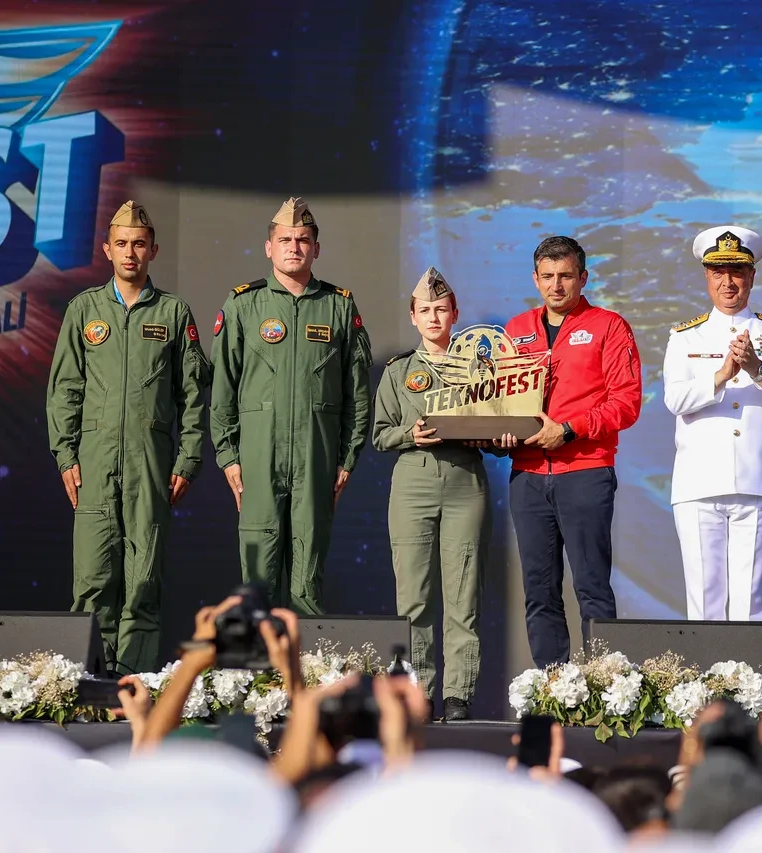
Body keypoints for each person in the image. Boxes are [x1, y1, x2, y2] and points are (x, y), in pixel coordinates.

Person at [46, 201, 209, 674]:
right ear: (107, 250)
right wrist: (65, 455)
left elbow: (194, 395)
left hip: (151, 462)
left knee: (143, 578)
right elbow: (64, 390)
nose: (130, 253)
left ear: (153, 250)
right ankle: (88, 678)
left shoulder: (174, 313)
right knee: (93, 577)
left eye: (139, 244)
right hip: (95, 460)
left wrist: (188, 460)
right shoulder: (84, 310)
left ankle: (132, 682)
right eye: (121, 244)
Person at [210, 197, 373, 614]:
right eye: (285, 239)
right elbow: (222, 387)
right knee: (257, 584)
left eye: (303, 240)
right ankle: (256, 678)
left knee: (307, 583)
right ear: (269, 247)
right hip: (258, 460)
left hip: (315, 460)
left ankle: (303, 675)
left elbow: (357, 393)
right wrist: (228, 455)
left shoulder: (339, 306)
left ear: (317, 248)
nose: (294, 247)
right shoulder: (244, 304)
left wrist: (346, 460)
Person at [503, 236, 642, 668]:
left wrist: (568, 430)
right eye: (548, 277)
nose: (556, 285)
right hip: (527, 476)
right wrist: (499, 435)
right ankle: (552, 689)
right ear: (535, 279)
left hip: (585, 471)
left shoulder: (608, 326)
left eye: (566, 276)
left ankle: (604, 688)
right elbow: (496, 401)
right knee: (539, 590)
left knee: (592, 587)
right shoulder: (515, 329)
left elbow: (626, 402)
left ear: (583, 277)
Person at [663, 225, 762, 622]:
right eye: (718, 273)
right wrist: (722, 374)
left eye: (737, 272)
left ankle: (752, 686)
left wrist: (758, 369)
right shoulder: (684, 337)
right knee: (704, 605)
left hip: (757, 482)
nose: (728, 282)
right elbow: (675, 399)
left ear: (752, 276)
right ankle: (702, 686)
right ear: (707, 277)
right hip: (699, 483)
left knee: (751, 606)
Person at [371, 267, 493, 722]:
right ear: (413, 316)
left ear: (455, 314)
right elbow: (380, 435)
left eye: (442, 309)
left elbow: (501, 423)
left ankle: (459, 695)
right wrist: (410, 433)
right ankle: (418, 694)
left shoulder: (483, 367)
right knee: (414, 598)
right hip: (414, 481)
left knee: (464, 595)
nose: (435, 317)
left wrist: (496, 436)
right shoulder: (399, 371)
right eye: (426, 310)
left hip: (465, 480)